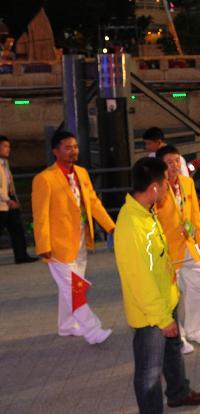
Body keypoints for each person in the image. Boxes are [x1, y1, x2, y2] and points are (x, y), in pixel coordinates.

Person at [114, 157, 200, 413]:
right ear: (154, 188)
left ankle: (179, 393)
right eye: (166, 184)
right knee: (149, 372)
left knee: (172, 352)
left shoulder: (146, 212)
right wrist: (162, 318)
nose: (168, 188)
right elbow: (140, 280)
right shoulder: (131, 225)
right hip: (151, 315)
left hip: (166, 301)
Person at [32, 130, 114, 344]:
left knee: (68, 289)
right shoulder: (44, 178)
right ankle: (93, 330)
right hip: (57, 245)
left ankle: (66, 325)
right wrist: (43, 245)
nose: (73, 151)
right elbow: (40, 215)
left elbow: (93, 202)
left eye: (75, 147)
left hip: (80, 241)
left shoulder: (81, 173)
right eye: (67, 147)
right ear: (55, 151)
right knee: (74, 289)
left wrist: (111, 227)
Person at [154, 145, 200, 354]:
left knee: (196, 288)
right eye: (169, 162)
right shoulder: (157, 187)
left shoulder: (187, 182)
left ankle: (195, 329)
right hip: (168, 249)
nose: (174, 166)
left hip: (189, 244)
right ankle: (179, 337)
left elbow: (195, 213)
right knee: (173, 295)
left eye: (177, 161)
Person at [0, 135, 37, 263]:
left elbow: (8, 184)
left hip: (8, 200)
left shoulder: (4, 163)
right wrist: (7, 200)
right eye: (4, 146)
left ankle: (21, 255)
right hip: (3, 202)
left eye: (8, 146)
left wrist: (13, 198)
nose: (8, 149)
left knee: (17, 228)